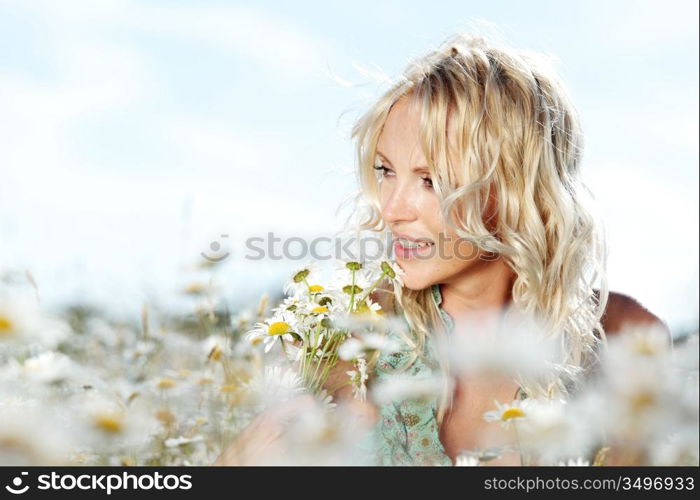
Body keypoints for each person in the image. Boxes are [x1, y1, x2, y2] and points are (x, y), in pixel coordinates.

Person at [214, 32, 669, 466]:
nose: (391, 209)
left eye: (430, 180)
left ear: (514, 189)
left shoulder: (625, 338)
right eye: (386, 171)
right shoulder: (350, 344)